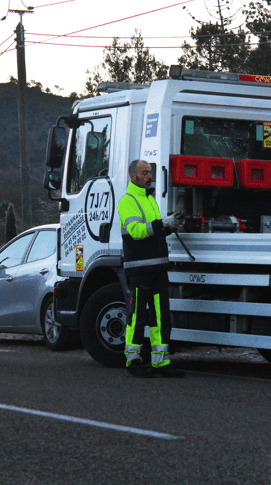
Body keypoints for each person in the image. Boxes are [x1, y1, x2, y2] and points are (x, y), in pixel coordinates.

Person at [118, 159, 185, 378]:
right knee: (138, 316)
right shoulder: (127, 201)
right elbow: (137, 232)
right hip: (139, 270)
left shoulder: (150, 199)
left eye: (150, 172)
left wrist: (170, 224)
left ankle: (161, 362)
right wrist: (162, 224)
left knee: (161, 316)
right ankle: (133, 361)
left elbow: (154, 231)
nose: (149, 176)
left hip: (157, 267)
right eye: (144, 173)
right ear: (133, 176)